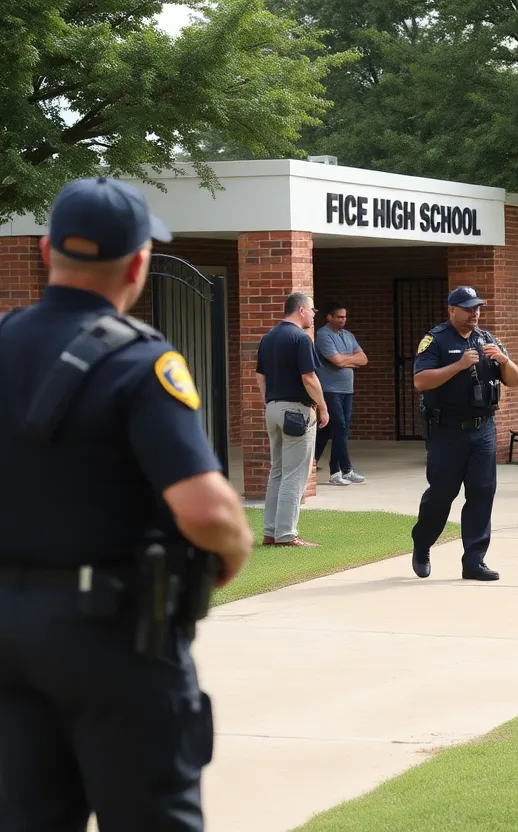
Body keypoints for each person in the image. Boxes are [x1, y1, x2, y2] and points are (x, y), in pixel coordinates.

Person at [0, 176, 253, 830]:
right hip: (113, 636)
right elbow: (206, 510)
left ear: (47, 249)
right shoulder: (140, 361)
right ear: (138, 262)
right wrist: (232, 547)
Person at [411, 286, 518, 581]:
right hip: (447, 431)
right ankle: (422, 543)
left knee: (482, 493)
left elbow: (515, 380)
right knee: (441, 495)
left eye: (477, 308)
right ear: (451, 310)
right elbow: (420, 381)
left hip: (483, 429)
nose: (475, 313)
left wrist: (504, 361)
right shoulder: (435, 340)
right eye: (468, 308)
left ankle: (474, 561)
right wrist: (458, 365)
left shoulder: (487, 339)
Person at [256, 292, 330, 547]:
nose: (313, 315)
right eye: (312, 310)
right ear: (301, 310)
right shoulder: (300, 338)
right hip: (297, 411)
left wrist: (270, 402)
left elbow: (260, 376)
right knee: (294, 475)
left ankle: (270, 531)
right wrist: (322, 407)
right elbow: (309, 377)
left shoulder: (268, 338)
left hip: (273, 409)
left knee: (277, 471)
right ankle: (287, 535)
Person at [314, 302, 369, 485]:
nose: (343, 320)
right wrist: (348, 361)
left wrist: (346, 360)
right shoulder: (323, 335)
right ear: (329, 317)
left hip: (347, 389)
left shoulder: (348, 335)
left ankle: (311, 464)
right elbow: (336, 361)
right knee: (340, 429)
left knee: (327, 430)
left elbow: (364, 359)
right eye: (339, 317)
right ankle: (340, 471)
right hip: (330, 390)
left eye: (345, 316)